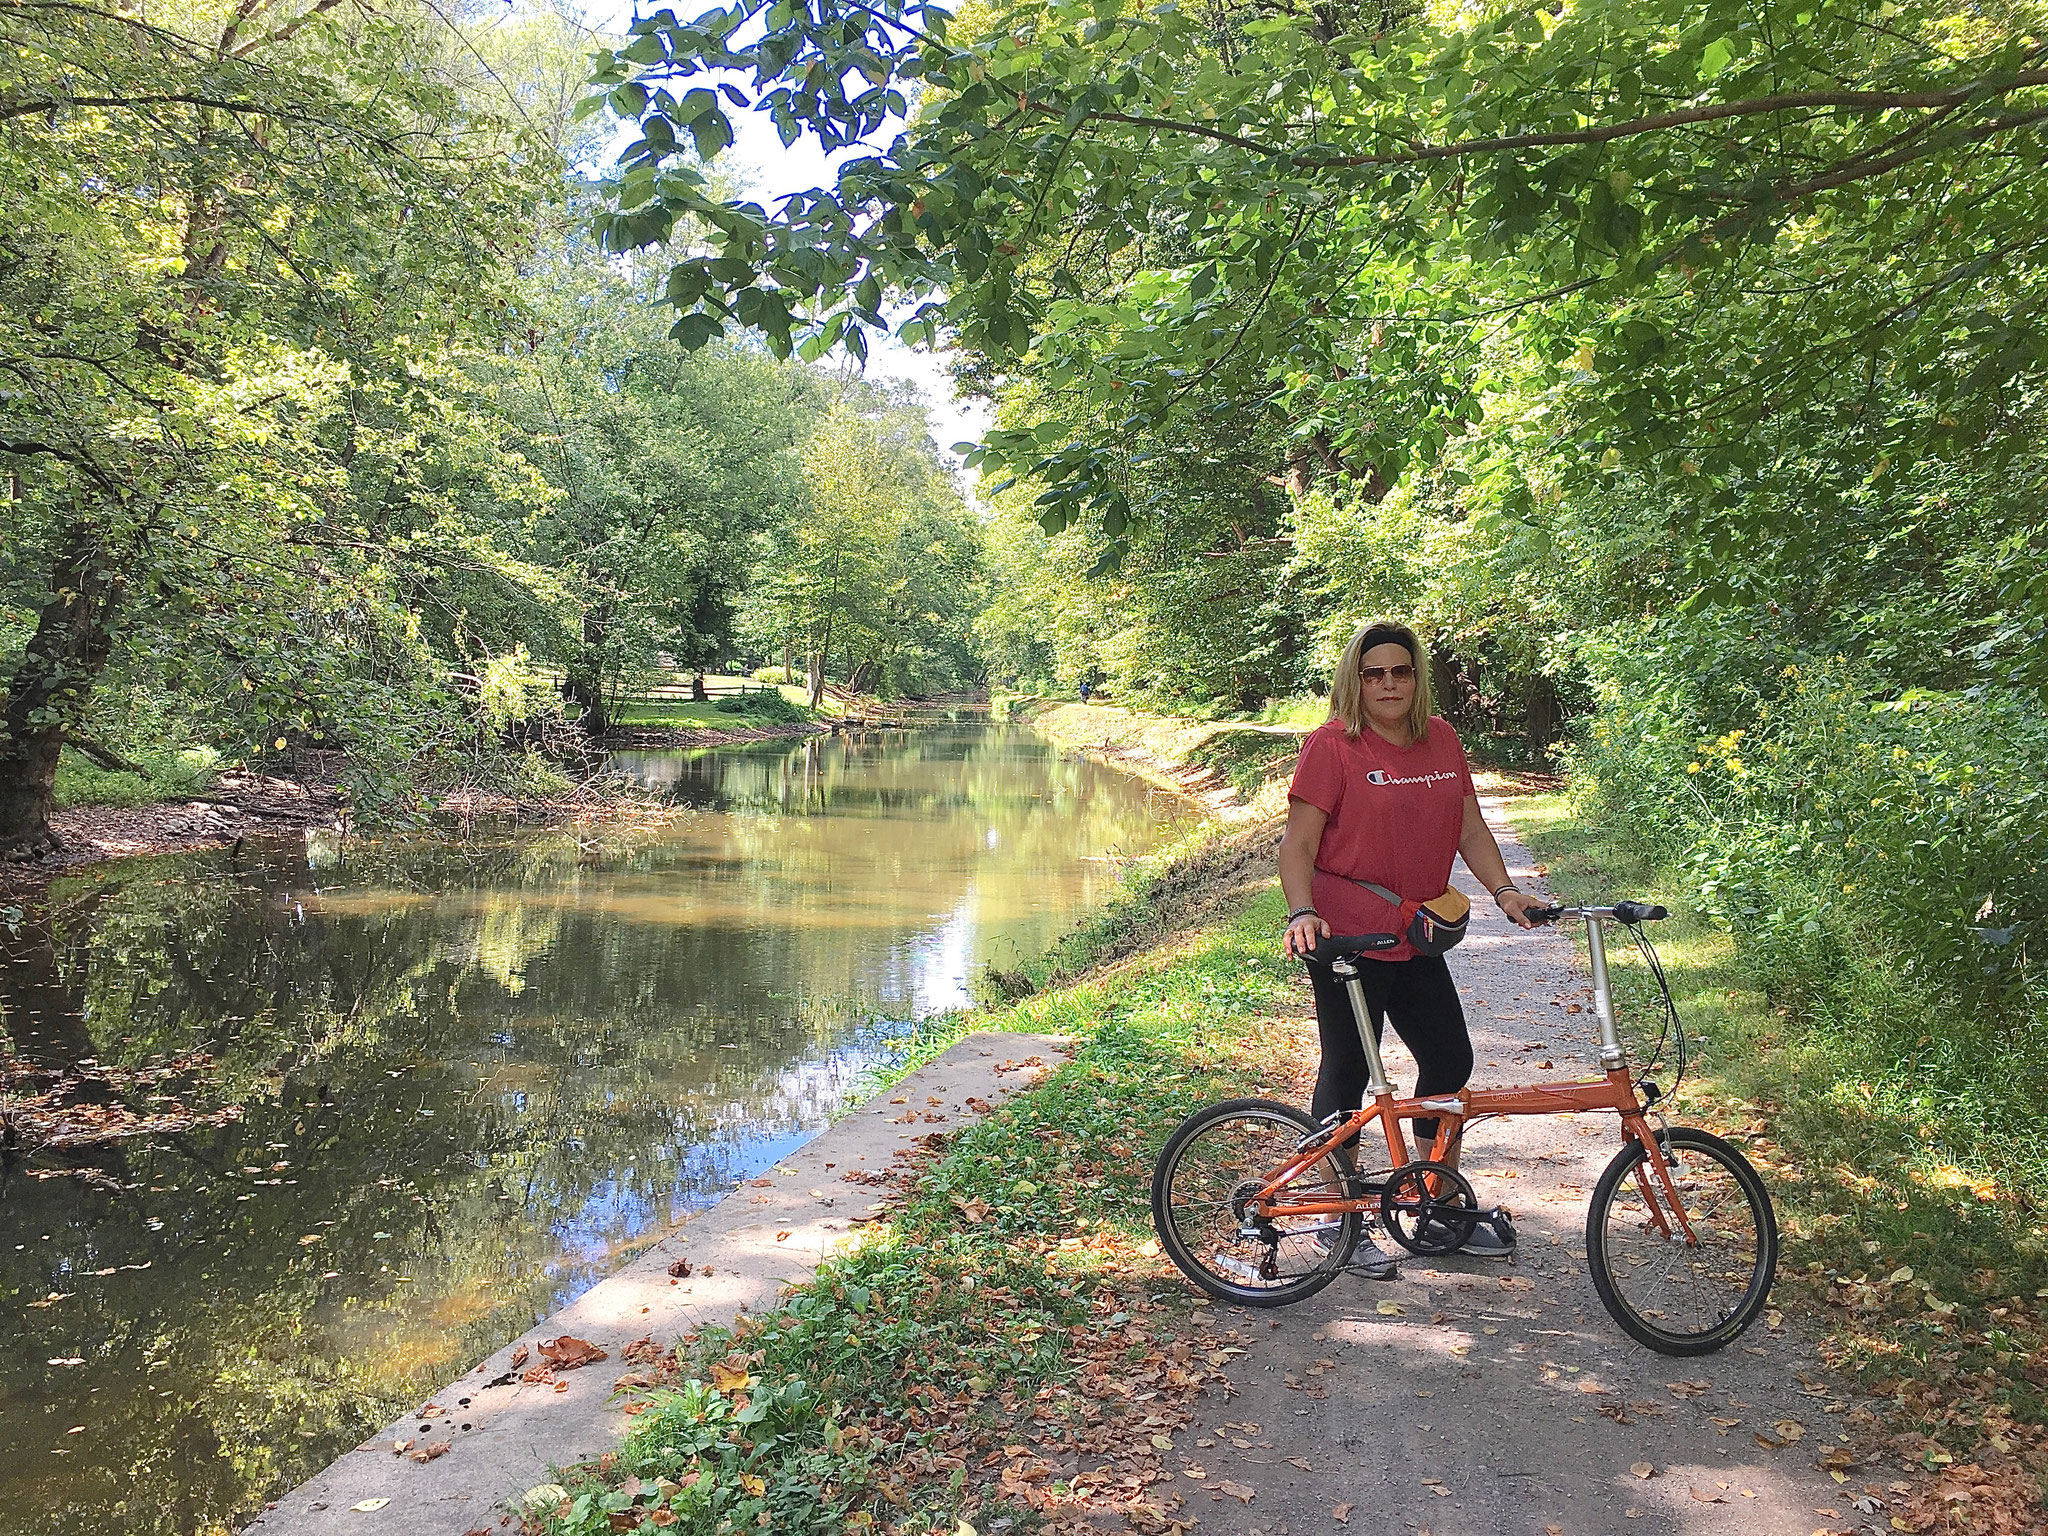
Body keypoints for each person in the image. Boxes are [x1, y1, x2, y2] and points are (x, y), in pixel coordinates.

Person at [1278, 620, 1546, 1264]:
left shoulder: (1442, 741)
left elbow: (1471, 830)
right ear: (1356, 681)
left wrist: (1506, 892)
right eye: (1375, 673)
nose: (1388, 683)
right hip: (1346, 934)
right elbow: (1298, 846)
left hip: (1416, 933)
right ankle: (1335, 1218)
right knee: (1346, 1070)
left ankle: (1431, 1201)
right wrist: (1301, 912)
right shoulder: (1333, 748)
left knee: (1449, 1061)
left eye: (1401, 671)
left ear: (1418, 679)